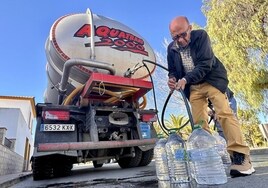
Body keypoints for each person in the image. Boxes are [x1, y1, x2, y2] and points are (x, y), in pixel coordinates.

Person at [166, 16, 255, 177]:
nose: (180, 40)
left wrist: (185, 79)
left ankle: (241, 157)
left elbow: (205, 64)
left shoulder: (201, 36)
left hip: (211, 80)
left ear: (190, 28)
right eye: (175, 37)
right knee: (199, 124)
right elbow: (172, 69)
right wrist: (172, 79)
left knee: (224, 114)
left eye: (183, 35)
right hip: (193, 87)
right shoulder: (171, 48)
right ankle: (208, 158)